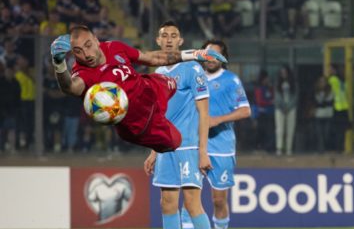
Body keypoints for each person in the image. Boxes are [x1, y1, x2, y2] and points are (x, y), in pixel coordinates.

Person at [49, 25, 227, 153]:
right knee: (176, 142)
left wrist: (195, 54)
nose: (86, 54)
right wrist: (58, 63)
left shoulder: (114, 47)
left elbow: (152, 58)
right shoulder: (82, 73)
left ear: (96, 40)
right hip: (141, 123)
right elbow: (70, 88)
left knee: (172, 83)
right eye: (78, 51)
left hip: (151, 88)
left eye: (88, 45)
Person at [144, 21, 220, 229]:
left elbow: (204, 111)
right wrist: (153, 150)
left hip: (187, 146)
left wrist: (203, 151)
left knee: (191, 202)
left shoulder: (191, 69)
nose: (168, 39)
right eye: (164, 35)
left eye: (173, 35)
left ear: (181, 41)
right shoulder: (154, 74)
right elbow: (157, 115)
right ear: (157, 41)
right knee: (167, 203)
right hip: (165, 147)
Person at [180, 39, 251, 229]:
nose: (211, 58)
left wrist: (217, 120)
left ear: (223, 58)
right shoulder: (192, 76)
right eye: (208, 54)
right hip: (194, 145)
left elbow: (245, 110)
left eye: (215, 55)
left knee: (218, 200)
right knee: (189, 196)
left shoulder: (231, 80)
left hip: (221, 148)